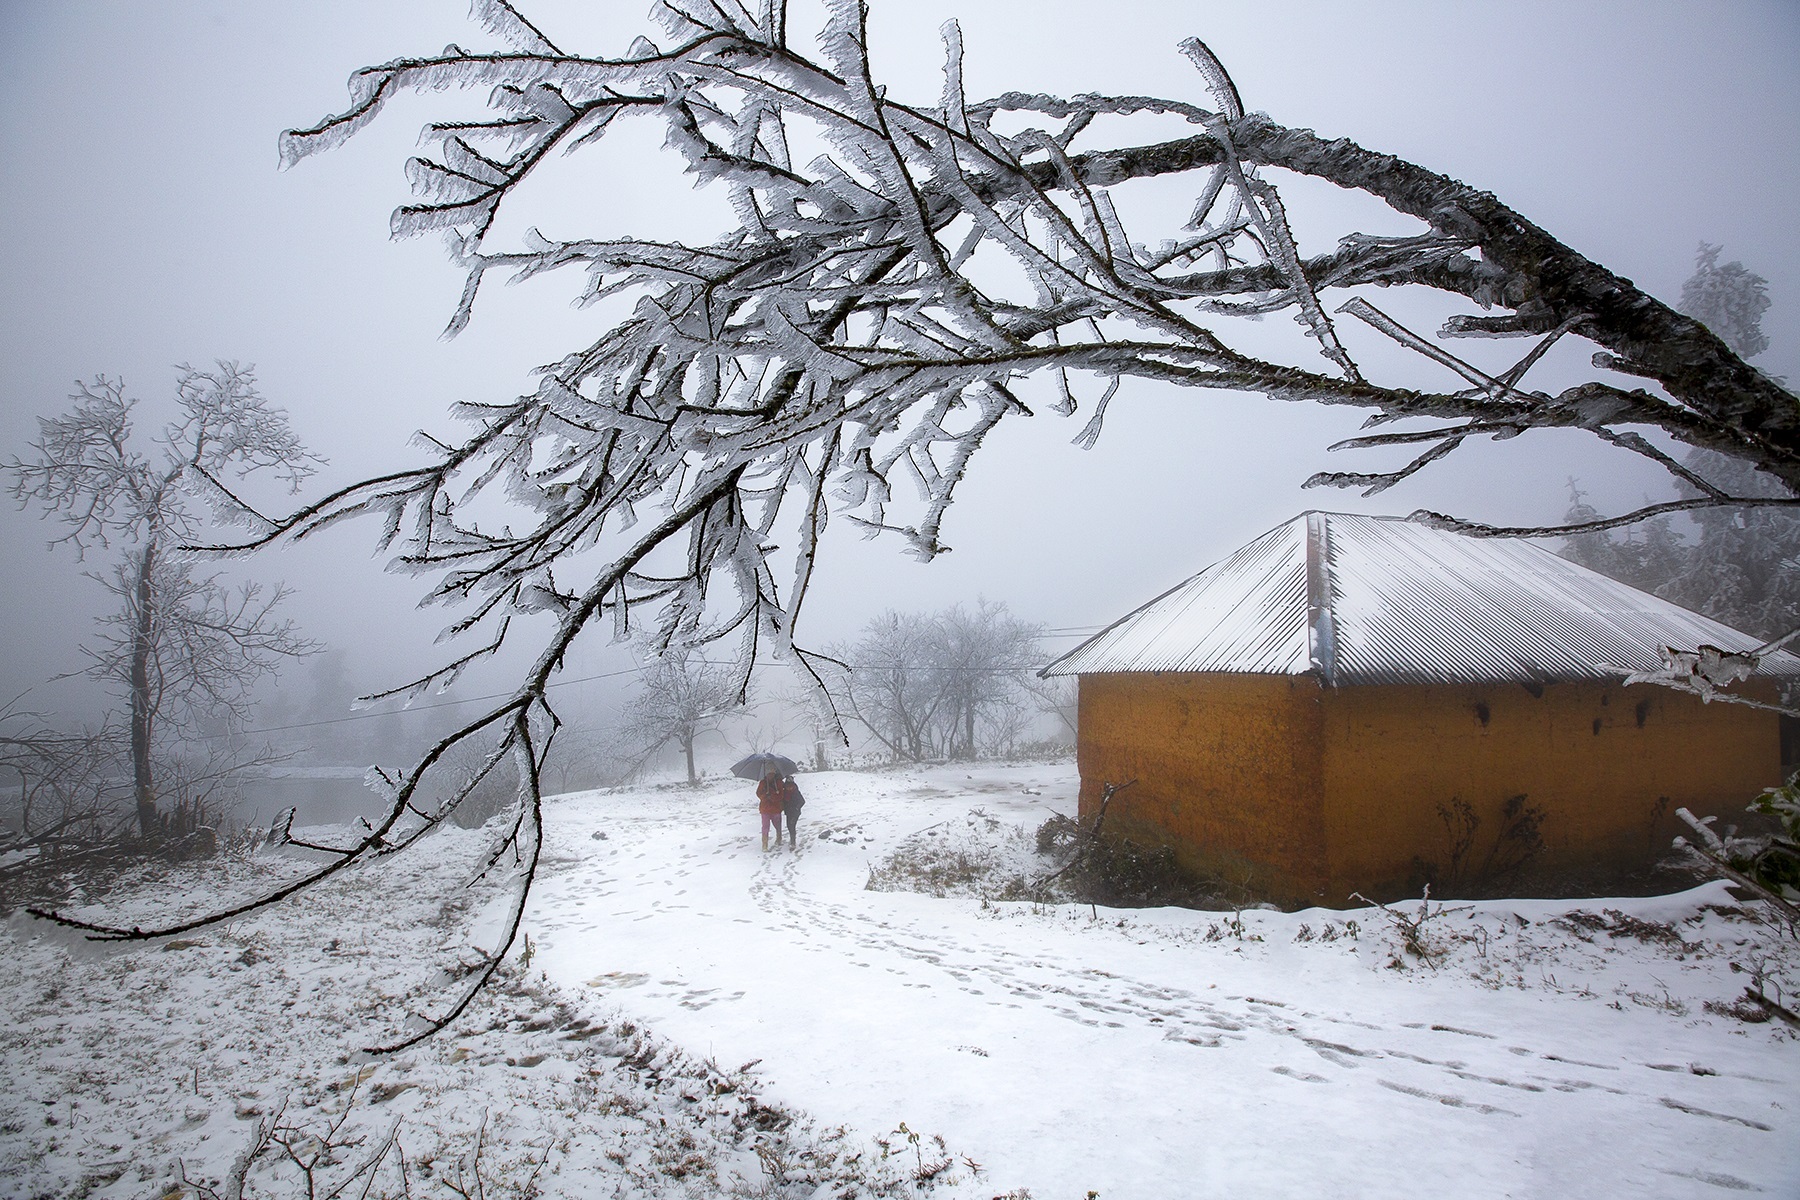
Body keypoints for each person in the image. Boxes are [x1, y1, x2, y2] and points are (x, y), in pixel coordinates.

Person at [755, 768, 805, 851]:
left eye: (772, 773)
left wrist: (772, 797)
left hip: (776, 808)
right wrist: (765, 796)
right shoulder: (763, 783)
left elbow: (782, 795)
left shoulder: (778, 783)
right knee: (765, 826)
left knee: (778, 826)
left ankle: (779, 838)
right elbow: (758, 793)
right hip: (765, 808)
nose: (770, 775)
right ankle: (765, 844)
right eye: (769, 773)